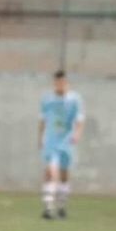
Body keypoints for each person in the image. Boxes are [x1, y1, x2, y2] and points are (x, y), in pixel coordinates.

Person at [38, 70, 85, 219]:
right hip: (51, 141)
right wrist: (40, 137)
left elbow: (80, 119)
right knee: (51, 172)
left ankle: (62, 207)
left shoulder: (75, 99)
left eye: (63, 82)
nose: (60, 85)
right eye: (57, 83)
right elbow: (42, 120)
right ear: (54, 83)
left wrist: (77, 134)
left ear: (66, 83)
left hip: (66, 142)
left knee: (64, 175)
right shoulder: (47, 99)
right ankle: (48, 208)